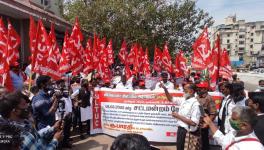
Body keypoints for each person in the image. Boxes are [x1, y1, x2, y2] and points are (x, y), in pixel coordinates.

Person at [161, 83, 201, 150]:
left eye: (185, 90)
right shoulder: (184, 99)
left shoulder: (195, 104)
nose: (183, 91)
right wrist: (165, 89)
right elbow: (171, 99)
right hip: (181, 130)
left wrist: (178, 116)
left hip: (187, 132)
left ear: (191, 91)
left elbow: (193, 123)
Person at [196, 81, 217, 150]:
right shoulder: (197, 97)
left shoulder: (209, 98)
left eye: (200, 88)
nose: (198, 89)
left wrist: (206, 124)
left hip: (203, 124)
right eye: (198, 88)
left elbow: (213, 113)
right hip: (196, 122)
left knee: (204, 142)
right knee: (197, 141)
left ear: (205, 89)